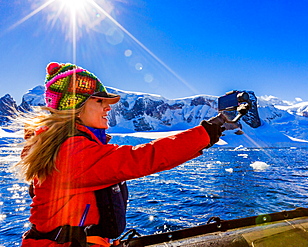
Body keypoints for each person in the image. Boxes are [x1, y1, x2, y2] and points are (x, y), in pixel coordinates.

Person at [17, 62, 224, 247]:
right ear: (75, 108)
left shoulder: (66, 147)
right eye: (99, 101)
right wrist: (207, 132)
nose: (108, 107)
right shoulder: (72, 154)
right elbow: (143, 158)